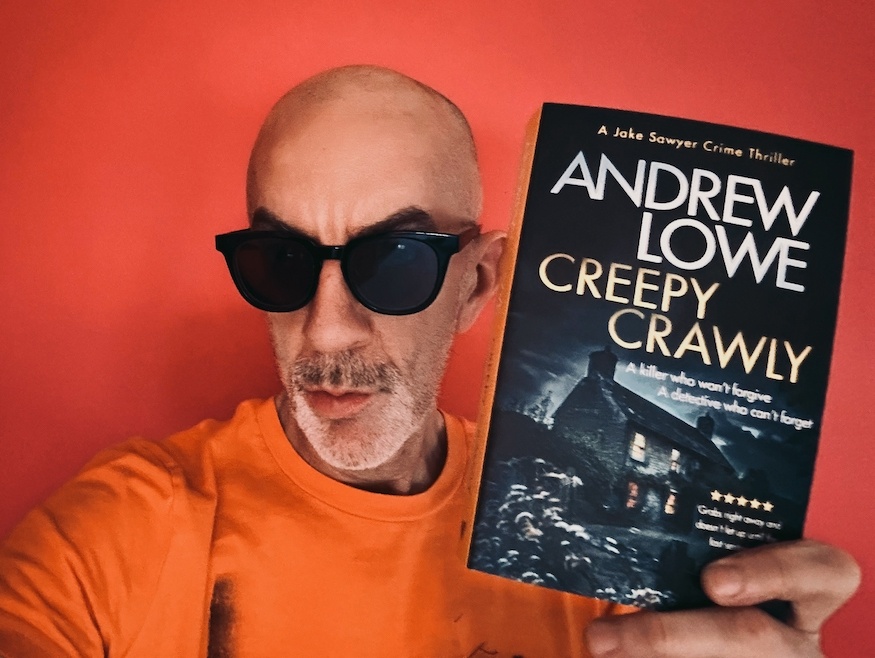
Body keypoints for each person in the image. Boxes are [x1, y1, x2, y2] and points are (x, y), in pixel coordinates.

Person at [0, 65, 860, 657]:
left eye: (394, 262)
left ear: (477, 282)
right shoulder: (119, 531)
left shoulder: (587, 554)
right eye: (280, 261)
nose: (325, 333)